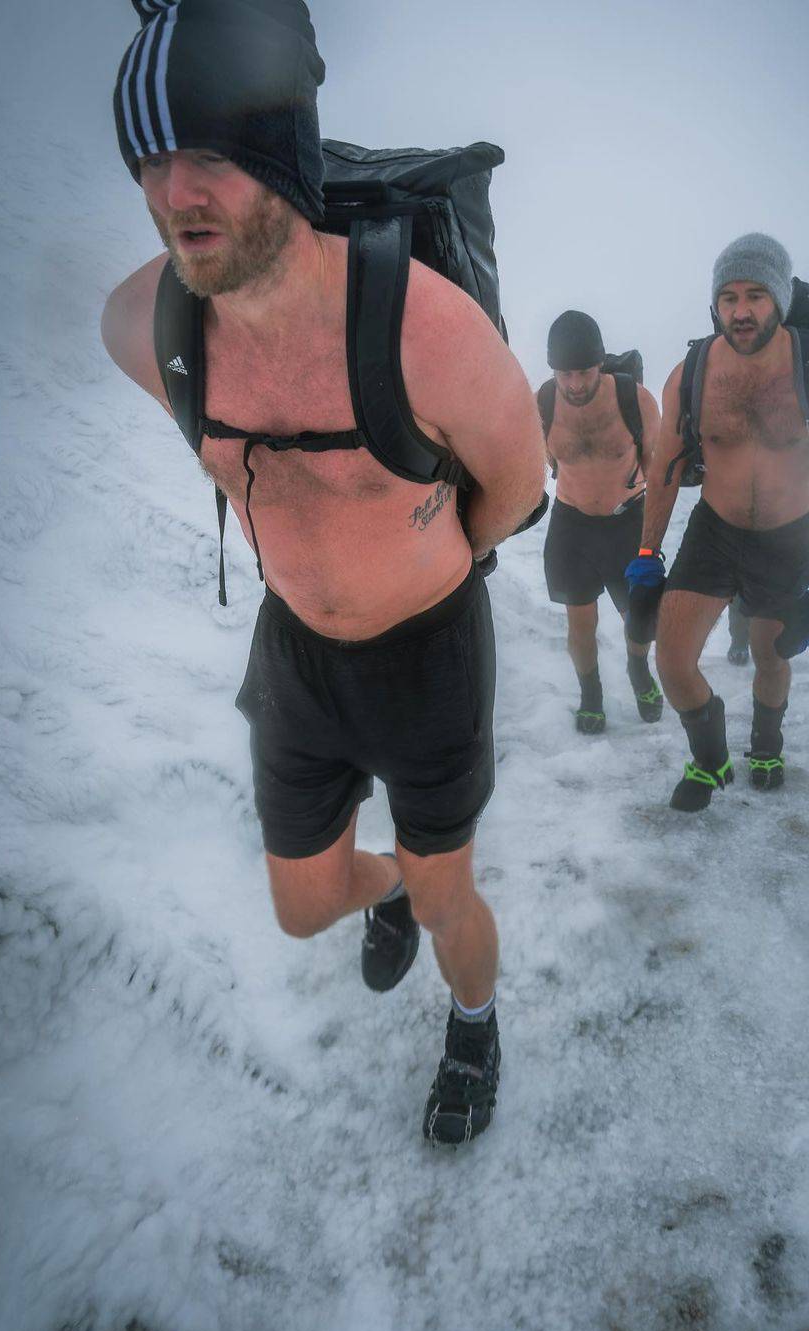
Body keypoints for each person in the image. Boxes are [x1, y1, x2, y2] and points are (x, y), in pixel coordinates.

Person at [100, 0, 545, 1143]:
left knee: (455, 898)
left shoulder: (426, 330)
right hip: (296, 654)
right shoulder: (143, 326)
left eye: (208, 154)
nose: (172, 193)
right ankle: (386, 884)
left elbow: (520, 488)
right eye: (149, 159)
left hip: (430, 652)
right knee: (305, 910)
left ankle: (476, 1021)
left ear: (281, 155)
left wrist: (422, 552)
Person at [626, 234, 809, 810]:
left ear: (780, 301)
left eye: (757, 295)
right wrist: (646, 556)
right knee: (671, 657)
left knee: (772, 654)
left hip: (787, 538)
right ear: (715, 304)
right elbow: (665, 468)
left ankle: (767, 742)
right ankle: (711, 759)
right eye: (729, 297)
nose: (740, 311)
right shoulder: (690, 373)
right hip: (714, 530)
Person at [540, 311, 664, 733]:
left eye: (585, 372)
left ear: (601, 363)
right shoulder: (542, 404)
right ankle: (590, 694)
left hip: (627, 522)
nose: (575, 384)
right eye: (565, 374)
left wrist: (652, 541)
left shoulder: (636, 400)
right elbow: (535, 465)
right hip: (571, 526)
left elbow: (659, 475)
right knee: (579, 621)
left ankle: (638, 668)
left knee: (640, 617)